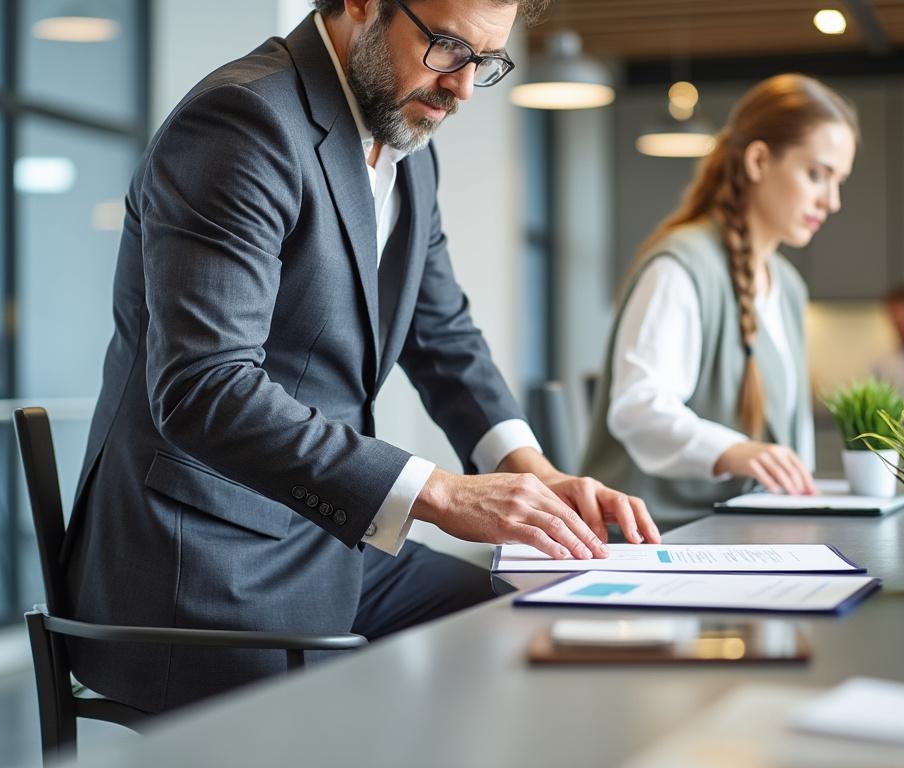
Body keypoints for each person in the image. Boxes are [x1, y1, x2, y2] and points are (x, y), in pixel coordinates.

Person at [63, 0, 659, 713]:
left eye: (486, 62)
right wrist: (440, 493)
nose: (464, 87)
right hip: (202, 567)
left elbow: (443, 336)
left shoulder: (406, 139)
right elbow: (206, 387)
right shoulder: (242, 121)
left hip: (319, 540)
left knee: (520, 619)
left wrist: (533, 475)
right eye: (446, 47)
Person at [583, 74, 858, 530]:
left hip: (746, 534)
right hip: (662, 539)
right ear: (758, 160)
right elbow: (638, 408)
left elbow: (795, 441)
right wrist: (732, 452)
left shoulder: (787, 286)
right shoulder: (681, 267)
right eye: (817, 175)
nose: (832, 201)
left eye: (839, 181)